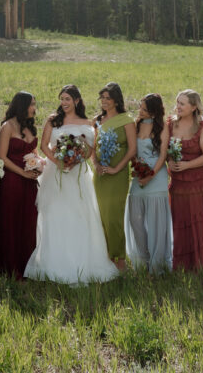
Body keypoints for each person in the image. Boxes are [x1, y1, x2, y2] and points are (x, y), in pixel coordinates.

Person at [24, 84, 118, 285]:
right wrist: (58, 161)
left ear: (76, 100)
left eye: (68, 99)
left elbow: (90, 149)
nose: (64, 103)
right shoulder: (53, 120)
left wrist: (77, 158)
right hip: (55, 174)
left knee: (80, 214)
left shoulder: (88, 122)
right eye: (62, 99)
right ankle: (53, 262)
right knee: (55, 214)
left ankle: (82, 261)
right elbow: (44, 145)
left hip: (79, 174)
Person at [167, 89, 203, 272]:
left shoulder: (202, 127)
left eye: (182, 104)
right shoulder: (170, 125)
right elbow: (164, 149)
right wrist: (170, 162)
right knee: (180, 221)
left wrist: (186, 166)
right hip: (178, 184)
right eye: (177, 102)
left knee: (198, 222)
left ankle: (201, 261)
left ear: (193, 107)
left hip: (199, 183)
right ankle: (182, 263)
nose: (178, 107)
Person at [0, 91, 40, 279]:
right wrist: (23, 173)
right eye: (31, 104)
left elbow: (34, 152)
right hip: (12, 180)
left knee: (29, 222)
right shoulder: (7, 126)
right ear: (22, 106)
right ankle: (12, 269)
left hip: (31, 183)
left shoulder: (29, 126)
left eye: (35, 104)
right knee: (12, 222)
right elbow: (2, 157)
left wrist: (40, 165)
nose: (34, 108)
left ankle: (29, 267)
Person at [125, 93, 172, 273]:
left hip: (157, 175)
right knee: (135, 219)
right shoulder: (136, 125)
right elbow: (133, 150)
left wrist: (151, 174)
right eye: (140, 107)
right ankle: (142, 259)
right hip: (138, 175)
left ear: (153, 111)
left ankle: (157, 264)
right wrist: (136, 167)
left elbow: (162, 155)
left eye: (144, 109)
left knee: (156, 223)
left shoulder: (162, 127)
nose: (140, 111)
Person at [92, 82, 136, 269]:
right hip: (100, 175)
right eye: (102, 98)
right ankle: (105, 258)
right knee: (100, 216)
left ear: (116, 100)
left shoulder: (126, 120)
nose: (104, 101)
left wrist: (117, 169)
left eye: (107, 98)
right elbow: (92, 147)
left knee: (114, 217)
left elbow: (132, 149)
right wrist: (95, 164)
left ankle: (119, 260)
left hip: (117, 175)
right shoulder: (97, 121)